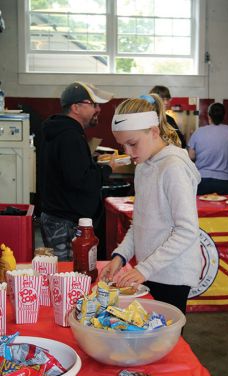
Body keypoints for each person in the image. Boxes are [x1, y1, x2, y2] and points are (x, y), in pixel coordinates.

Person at [100, 94, 202, 315]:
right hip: (150, 272)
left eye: (132, 143)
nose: (127, 152)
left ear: (154, 131)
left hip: (172, 275)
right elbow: (139, 224)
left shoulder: (173, 168)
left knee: (166, 342)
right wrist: (120, 257)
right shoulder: (144, 167)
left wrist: (144, 269)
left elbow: (187, 231)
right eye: (122, 145)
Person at [39, 81, 113, 261]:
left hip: (59, 216)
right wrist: (108, 169)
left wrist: (94, 163)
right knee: (69, 276)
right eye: (93, 104)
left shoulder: (62, 131)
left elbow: (68, 171)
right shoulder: (69, 136)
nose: (98, 109)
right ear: (75, 107)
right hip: (65, 222)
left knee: (66, 276)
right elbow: (79, 180)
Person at [187, 102, 228, 195]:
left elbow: (191, 156)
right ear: (224, 116)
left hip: (203, 180)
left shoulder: (199, 132)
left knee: (203, 209)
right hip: (227, 181)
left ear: (209, 116)